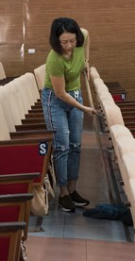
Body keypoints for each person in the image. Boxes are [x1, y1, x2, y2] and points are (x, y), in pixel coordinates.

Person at [41, 17, 96, 212]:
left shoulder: (82, 38)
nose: (69, 46)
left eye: (72, 41)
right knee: (62, 145)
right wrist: (84, 109)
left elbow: (87, 36)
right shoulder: (54, 59)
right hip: (55, 100)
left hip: (75, 94)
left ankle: (73, 189)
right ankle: (63, 192)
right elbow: (60, 93)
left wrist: (86, 61)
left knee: (76, 145)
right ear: (56, 40)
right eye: (64, 42)